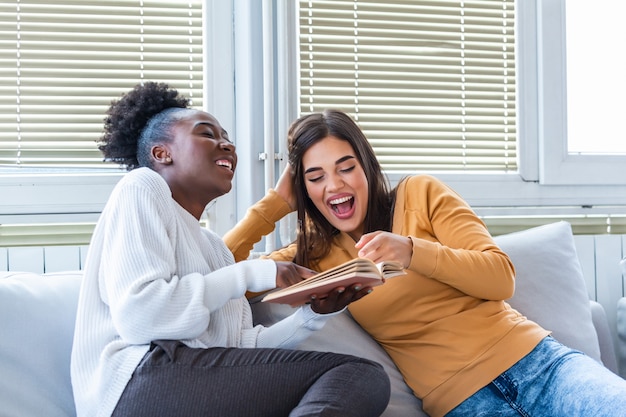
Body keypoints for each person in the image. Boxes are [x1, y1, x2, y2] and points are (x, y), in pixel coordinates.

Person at [223, 109, 626, 417]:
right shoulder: (310, 255)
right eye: (315, 177)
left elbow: (500, 278)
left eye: (346, 167)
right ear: (305, 191)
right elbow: (215, 277)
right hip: (461, 403)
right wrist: (272, 207)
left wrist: (413, 251)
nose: (335, 185)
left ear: (366, 166)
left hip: (542, 366)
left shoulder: (420, 193)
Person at [70, 84, 391, 417]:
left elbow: (241, 349)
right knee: (357, 376)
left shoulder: (213, 247)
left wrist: (313, 316)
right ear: (161, 153)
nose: (227, 144)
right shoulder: (142, 187)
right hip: (138, 382)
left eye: (227, 137)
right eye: (207, 134)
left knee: (362, 377)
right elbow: (143, 318)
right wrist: (256, 271)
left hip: (188, 380)